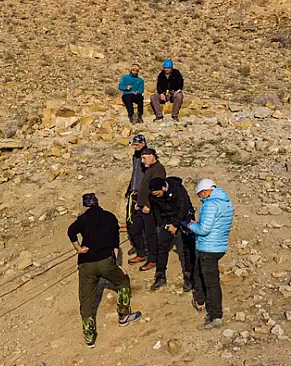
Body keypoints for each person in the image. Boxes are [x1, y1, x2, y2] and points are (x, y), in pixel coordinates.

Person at [67, 193, 141, 347]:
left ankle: (89, 336)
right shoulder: (110, 217)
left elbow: (71, 231)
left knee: (86, 300)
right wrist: (116, 265)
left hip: (86, 264)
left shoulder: (83, 219)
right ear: (98, 202)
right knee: (122, 281)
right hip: (106, 261)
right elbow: (115, 245)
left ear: (85, 205)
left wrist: (79, 248)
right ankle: (123, 316)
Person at [185, 179, 235, 329]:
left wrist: (189, 224)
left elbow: (203, 229)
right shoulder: (226, 202)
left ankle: (215, 316)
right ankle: (202, 301)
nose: (201, 198)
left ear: (205, 191)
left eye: (200, 194)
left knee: (211, 283)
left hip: (208, 248)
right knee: (202, 275)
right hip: (219, 246)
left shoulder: (210, 205)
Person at [147, 176, 195, 292]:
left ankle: (189, 278)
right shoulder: (153, 196)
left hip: (183, 218)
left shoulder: (178, 190)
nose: (156, 196)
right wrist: (165, 225)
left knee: (187, 249)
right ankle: (160, 276)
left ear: (163, 188)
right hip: (167, 220)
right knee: (162, 248)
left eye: (157, 193)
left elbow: (182, 208)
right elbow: (157, 213)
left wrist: (175, 224)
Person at [135, 148, 166, 272]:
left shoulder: (158, 169)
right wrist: (139, 202)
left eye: (144, 158)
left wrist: (148, 204)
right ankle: (142, 253)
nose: (142, 161)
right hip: (142, 206)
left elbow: (156, 190)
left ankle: (153, 259)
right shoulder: (150, 169)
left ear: (152, 156)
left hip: (150, 208)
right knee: (135, 229)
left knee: (150, 234)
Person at [125, 135, 152, 264]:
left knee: (138, 224)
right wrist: (130, 187)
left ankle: (142, 250)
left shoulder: (146, 157)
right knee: (130, 221)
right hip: (133, 193)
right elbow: (135, 174)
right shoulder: (136, 157)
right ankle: (137, 245)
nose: (134, 148)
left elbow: (146, 178)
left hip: (142, 195)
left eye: (136, 145)